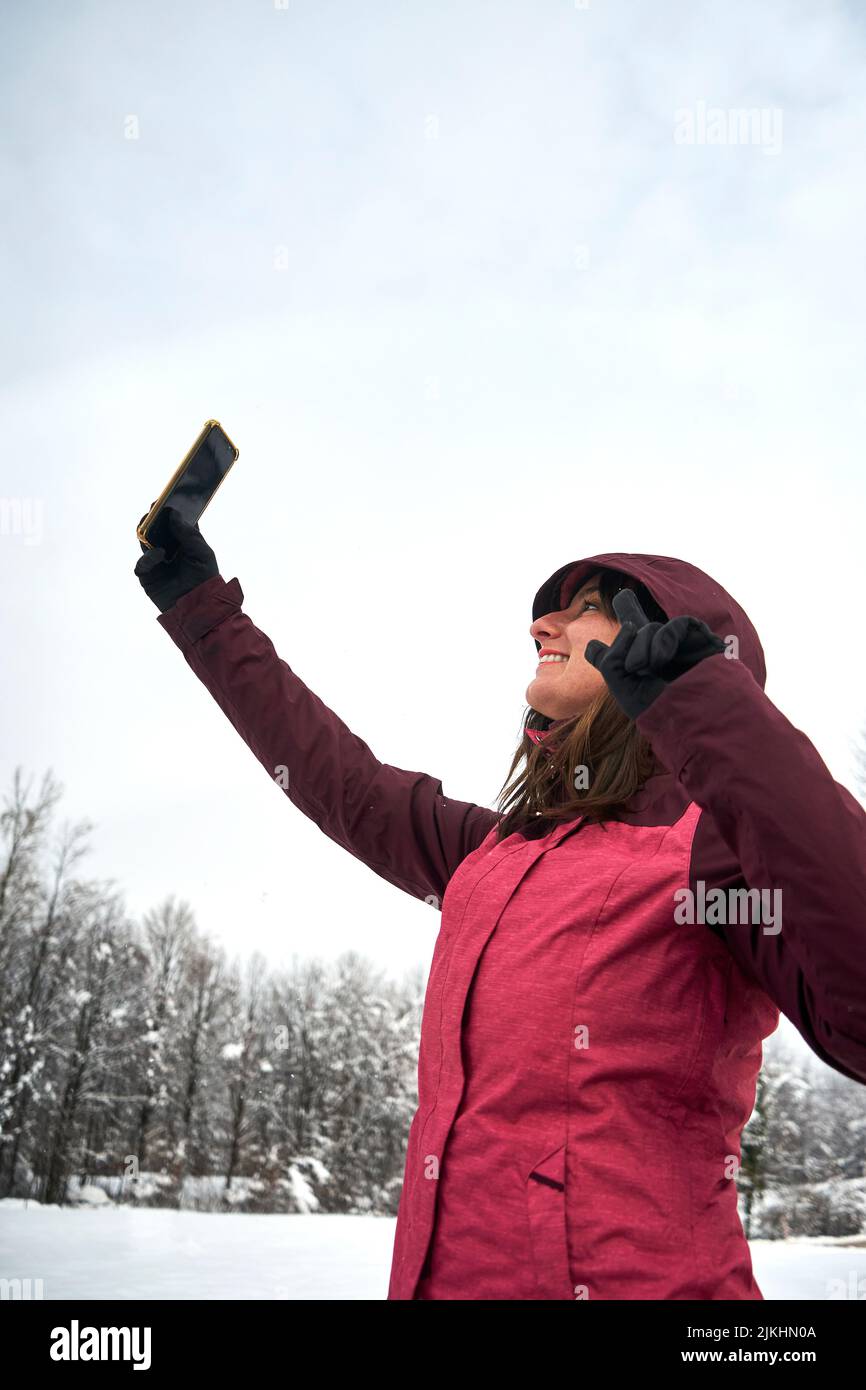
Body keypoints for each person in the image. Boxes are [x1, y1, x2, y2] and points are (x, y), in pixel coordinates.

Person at [135, 508, 866, 1300]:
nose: (541, 624)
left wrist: (711, 710)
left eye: (584, 605)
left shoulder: (709, 854)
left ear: (663, 637)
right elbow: (334, 778)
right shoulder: (490, 856)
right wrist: (201, 606)